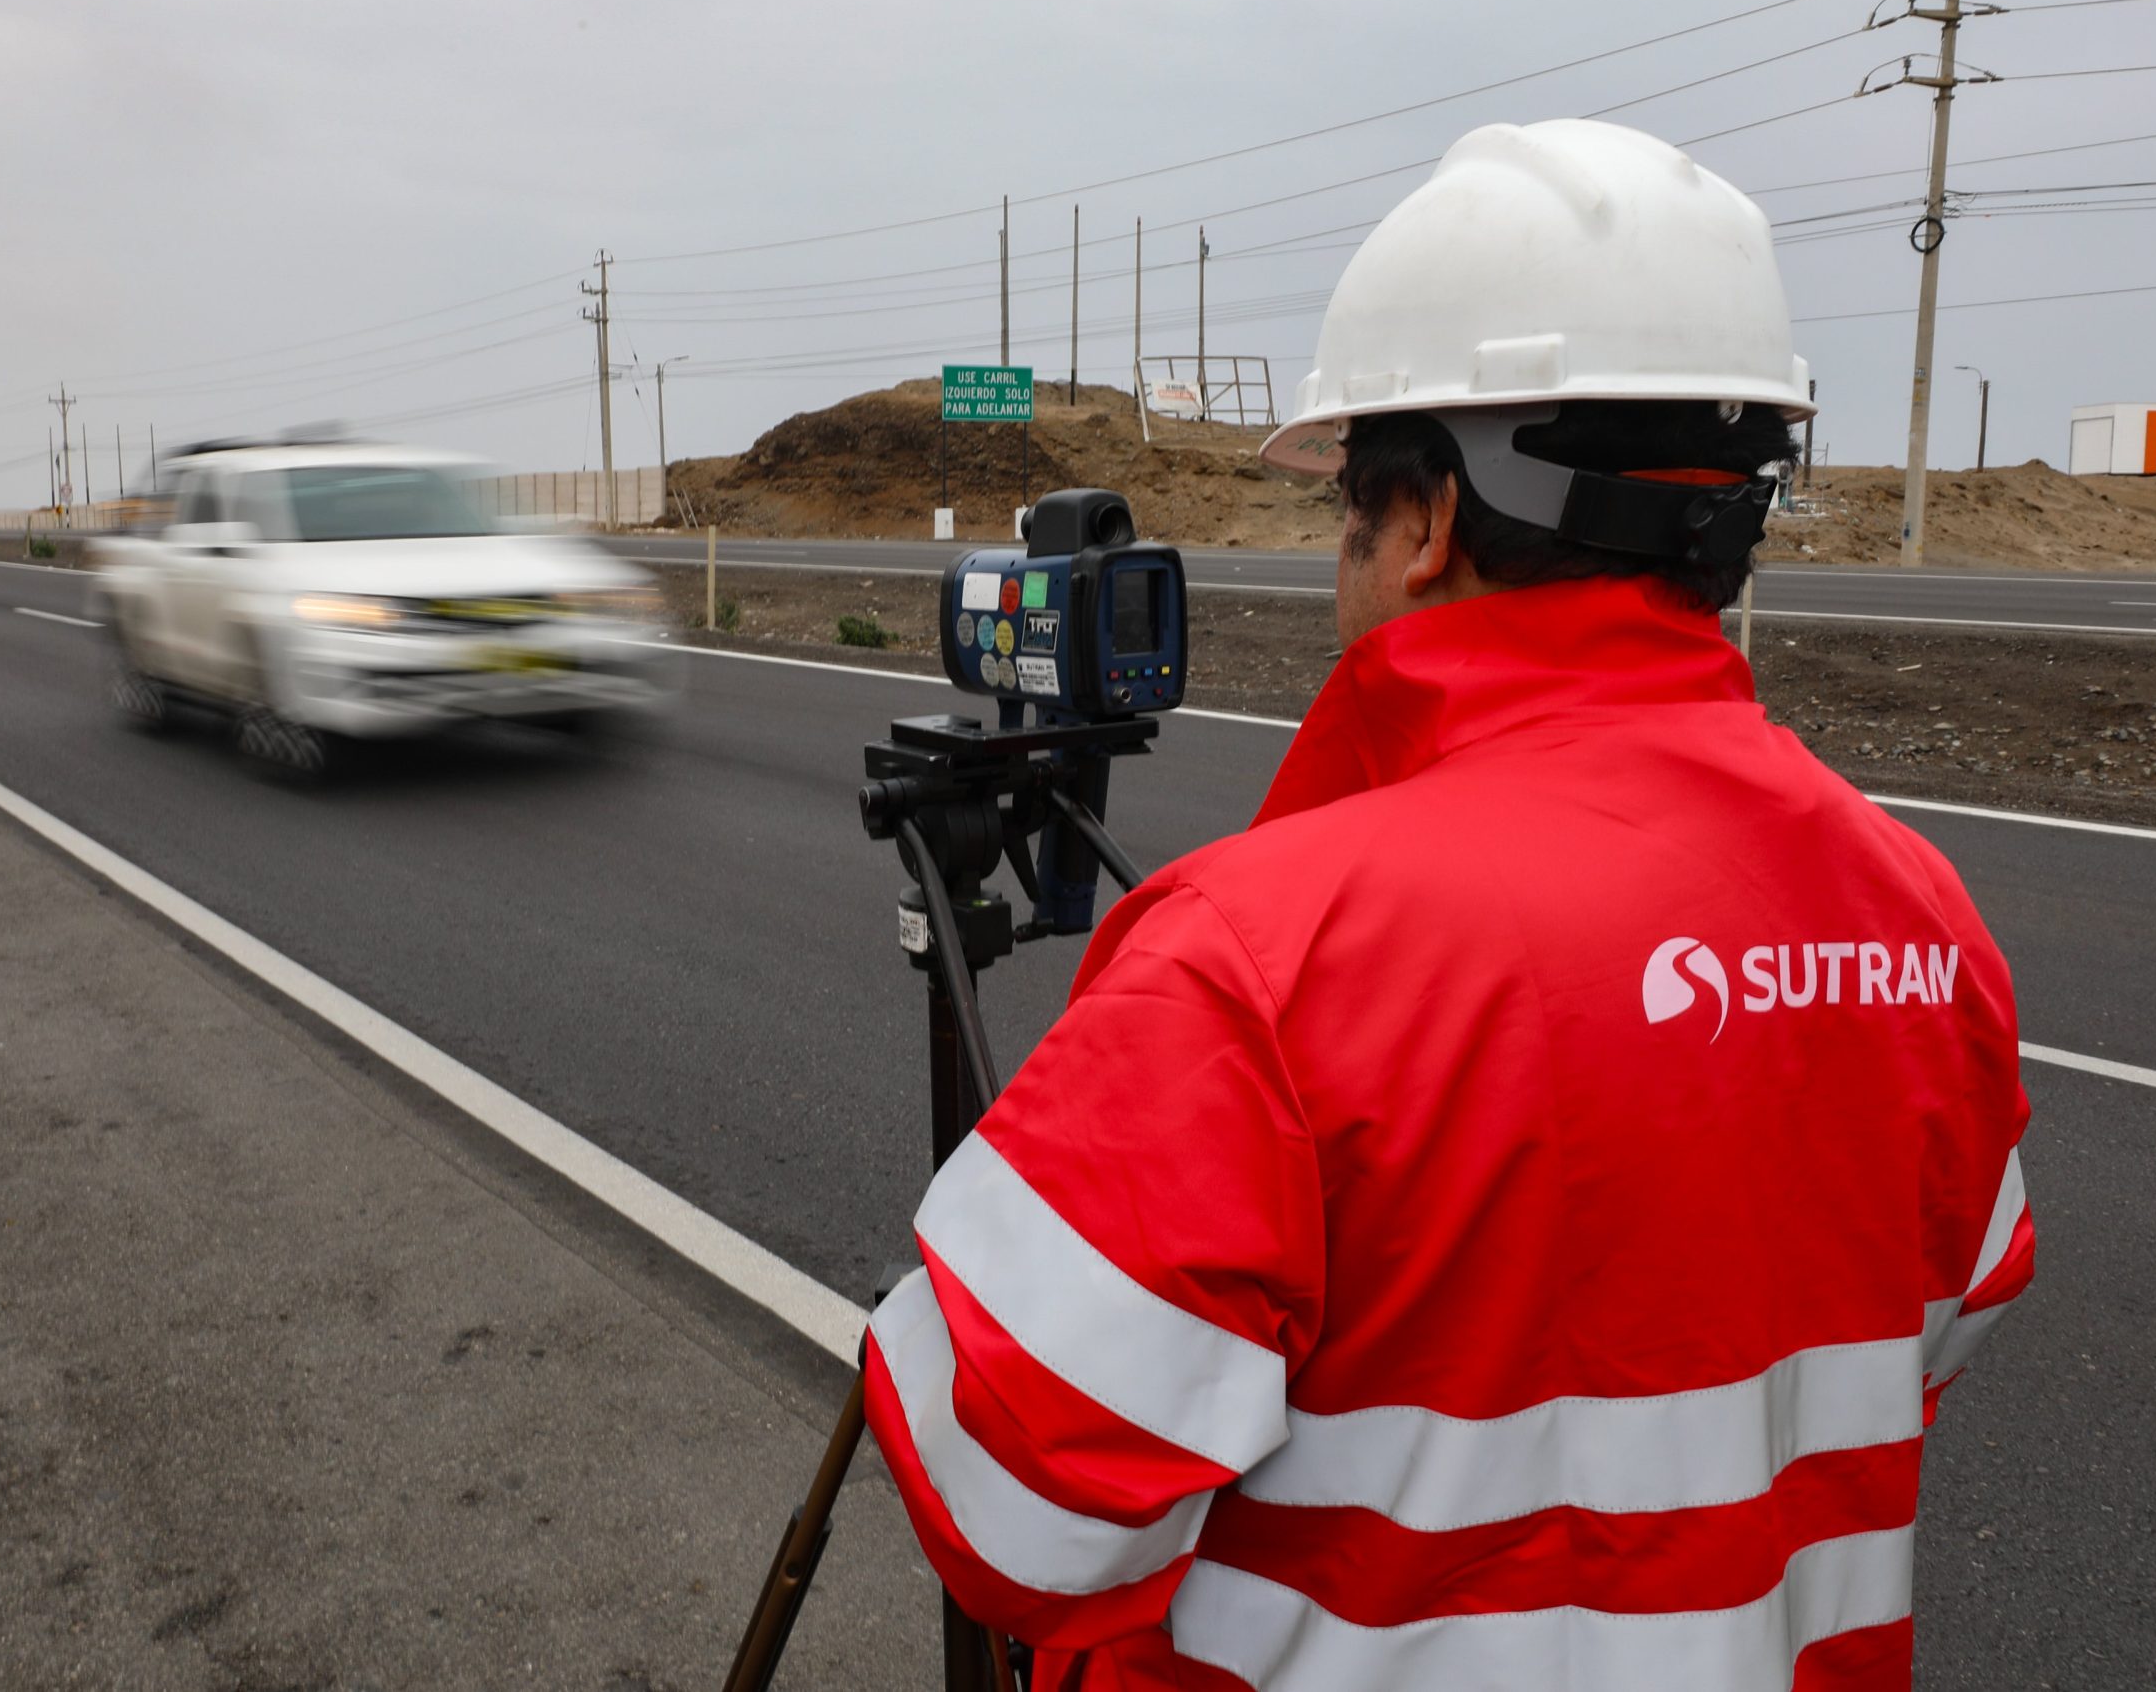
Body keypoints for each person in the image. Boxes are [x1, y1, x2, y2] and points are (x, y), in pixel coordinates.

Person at [861, 118, 2033, 1692]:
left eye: (1347, 499)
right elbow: (1931, 1328)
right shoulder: (1922, 916)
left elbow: (1015, 1507)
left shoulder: (1253, 963)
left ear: (1419, 522)